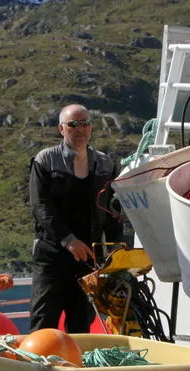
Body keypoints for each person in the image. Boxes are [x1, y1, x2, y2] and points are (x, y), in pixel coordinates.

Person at [28, 104, 129, 333]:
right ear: (61, 129)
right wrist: (68, 239)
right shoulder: (45, 160)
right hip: (52, 255)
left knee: (81, 322)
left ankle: (77, 367)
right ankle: (37, 366)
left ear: (91, 126)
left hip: (89, 259)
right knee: (44, 319)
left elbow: (113, 211)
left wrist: (113, 255)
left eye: (85, 123)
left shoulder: (105, 164)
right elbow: (40, 205)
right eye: (73, 124)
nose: (80, 128)